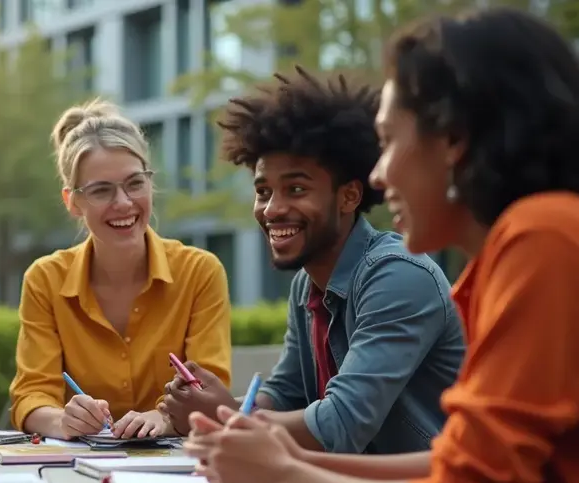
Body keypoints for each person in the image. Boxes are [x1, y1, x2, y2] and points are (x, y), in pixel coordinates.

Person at [185, 7, 578, 483]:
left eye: (389, 142)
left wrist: (284, 474)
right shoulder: (520, 248)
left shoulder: (541, 239)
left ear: (455, 141)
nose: (378, 175)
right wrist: (274, 462)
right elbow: (452, 466)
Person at [160, 67, 464, 456]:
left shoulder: (398, 275)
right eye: (263, 191)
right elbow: (285, 393)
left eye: (296, 189)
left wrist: (225, 418)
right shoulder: (310, 283)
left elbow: (342, 422)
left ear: (349, 197)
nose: (273, 209)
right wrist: (224, 409)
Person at [9, 98, 232, 440]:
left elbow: (207, 386)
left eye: (134, 183)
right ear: (73, 202)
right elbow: (31, 395)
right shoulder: (45, 280)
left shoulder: (200, 272)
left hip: (175, 468)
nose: (124, 203)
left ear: (149, 182)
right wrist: (61, 420)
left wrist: (163, 418)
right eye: (101, 190)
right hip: (75, 465)